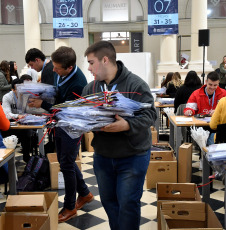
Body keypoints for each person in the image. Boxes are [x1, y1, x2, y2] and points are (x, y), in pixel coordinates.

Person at [81, 41, 157, 230]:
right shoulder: (90, 89)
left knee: (128, 204)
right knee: (108, 202)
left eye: (91, 63)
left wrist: (126, 125)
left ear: (104, 60)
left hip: (132, 155)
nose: (89, 68)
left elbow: (150, 115)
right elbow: (83, 115)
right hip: (103, 155)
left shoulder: (136, 84)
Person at [28, 46, 92, 223]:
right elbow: (58, 94)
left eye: (57, 68)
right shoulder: (60, 72)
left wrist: (43, 104)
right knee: (66, 162)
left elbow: (65, 109)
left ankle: (70, 207)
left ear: (69, 68)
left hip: (72, 125)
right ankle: (85, 193)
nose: (53, 70)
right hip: (61, 123)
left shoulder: (78, 83)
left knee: (67, 165)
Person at [2, 75, 33, 162]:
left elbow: (31, 110)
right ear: (13, 89)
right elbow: (6, 114)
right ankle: (9, 160)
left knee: (27, 132)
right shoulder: (7, 97)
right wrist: (17, 116)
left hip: (24, 123)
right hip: (10, 123)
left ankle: (27, 158)